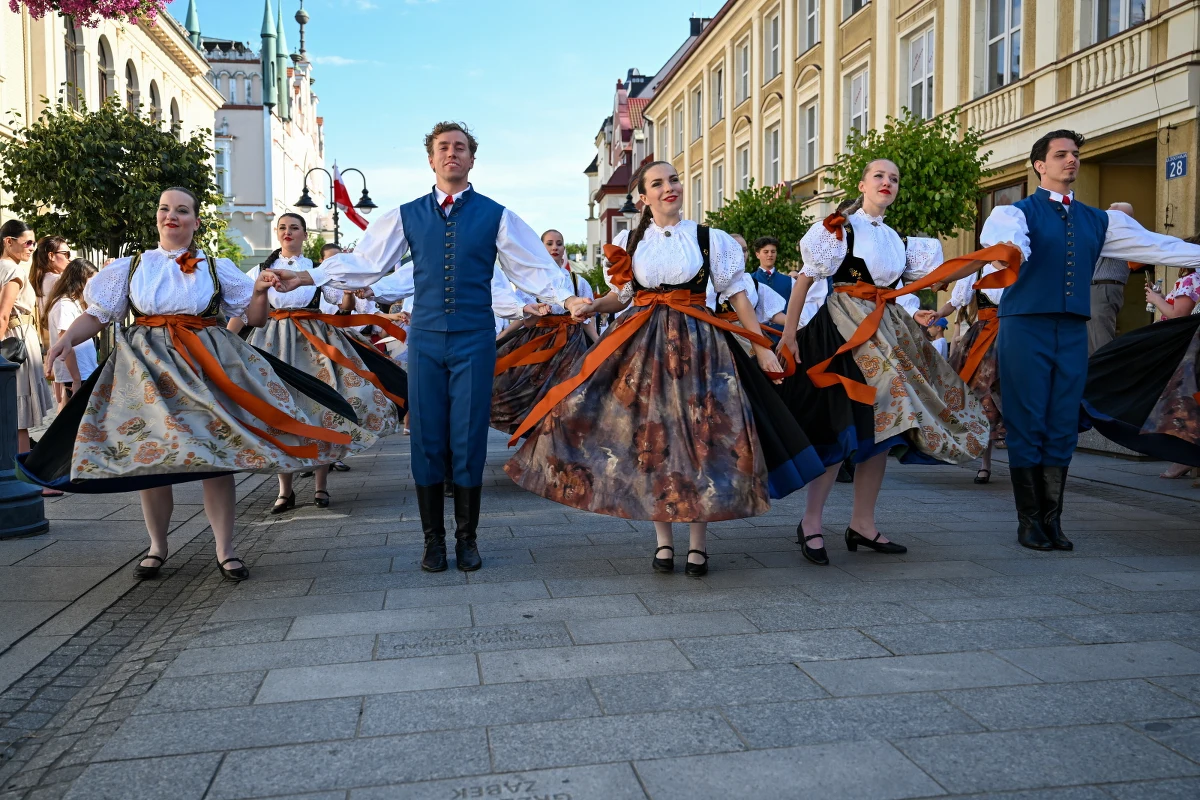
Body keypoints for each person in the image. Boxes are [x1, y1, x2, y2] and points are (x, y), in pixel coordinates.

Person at [267, 121, 588, 574]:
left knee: (469, 436)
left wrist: (566, 297)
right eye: (443, 147)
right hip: (425, 340)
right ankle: (432, 541)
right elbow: (369, 262)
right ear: (431, 158)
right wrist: (307, 275)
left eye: (460, 147)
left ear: (472, 158)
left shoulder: (496, 215)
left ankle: (467, 539)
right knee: (427, 438)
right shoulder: (407, 214)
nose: (452, 153)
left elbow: (531, 268)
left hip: (475, 339)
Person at [27, 188, 370, 582]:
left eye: (181, 210)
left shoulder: (216, 267)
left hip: (203, 366)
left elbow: (256, 319)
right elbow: (98, 314)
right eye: (164, 208)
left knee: (216, 455)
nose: (171, 215)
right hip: (147, 370)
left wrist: (260, 291)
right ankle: (157, 546)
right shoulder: (132, 267)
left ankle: (226, 550)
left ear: (196, 221)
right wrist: (67, 339)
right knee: (151, 459)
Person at [505, 161, 823, 577]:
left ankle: (698, 545)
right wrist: (592, 305)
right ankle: (663, 542)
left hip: (701, 348)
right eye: (657, 183)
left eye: (673, 179)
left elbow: (738, 296)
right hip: (645, 348)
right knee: (650, 440)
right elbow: (622, 297)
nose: (669, 187)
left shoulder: (711, 239)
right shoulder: (630, 242)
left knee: (703, 441)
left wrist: (763, 347)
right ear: (643, 198)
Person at [980, 130, 1200, 551]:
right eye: (1061, 154)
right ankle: (1029, 523)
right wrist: (1015, 253)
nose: (1071, 160)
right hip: (1025, 325)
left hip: (1070, 329)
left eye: (1075, 154)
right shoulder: (1014, 214)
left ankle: (1053, 521)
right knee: (1027, 418)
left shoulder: (1100, 221)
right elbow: (1005, 250)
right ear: (1040, 165)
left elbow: (1158, 247)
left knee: (1063, 420)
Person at [776, 159, 989, 567]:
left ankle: (862, 523)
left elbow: (921, 283)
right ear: (862, 184)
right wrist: (788, 334)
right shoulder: (842, 228)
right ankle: (811, 521)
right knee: (839, 429)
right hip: (842, 330)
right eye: (879, 175)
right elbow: (806, 277)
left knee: (882, 430)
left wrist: (984, 261)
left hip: (885, 328)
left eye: (894, 178)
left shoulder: (897, 239)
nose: (887, 182)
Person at [228, 212, 406, 512]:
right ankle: (284, 490)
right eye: (282, 228)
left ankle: (321, 486)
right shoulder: (259, 270)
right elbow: (243, 309)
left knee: (321, 408)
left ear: (304, 234)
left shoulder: (317, 270)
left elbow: (343, 306)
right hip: (272, 341)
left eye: (294, 228)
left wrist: (349, 291)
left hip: (312, 342)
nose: (287, 232)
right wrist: (227, 340)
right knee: (278, 409)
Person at [1087, 254, 1200, 479]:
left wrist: (1156, 299)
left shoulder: (1192, 279)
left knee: (1176, 399)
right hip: (1185, 347)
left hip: (1180, 347)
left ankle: (1184, 457)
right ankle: (1186, 457)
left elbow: (1179, 316)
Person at [491, 229, 598, 435]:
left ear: (564, 248)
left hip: (572, 342)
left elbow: (587, 321)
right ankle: (538, 433)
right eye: (549, 243)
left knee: (570, 389)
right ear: (541, 248)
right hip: (541, 341)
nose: (555, 247)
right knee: (530, 387)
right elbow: (526, 320)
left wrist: (599, 342)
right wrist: (504, 335)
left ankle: (561, 436)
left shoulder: (577, 281)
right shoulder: (529, 283)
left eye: (559, 243)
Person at [919, 263, 1006, 484]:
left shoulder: (1021, 265)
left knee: (1013, 396)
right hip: (983, 339)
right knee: (982, 398)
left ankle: (1023, 464)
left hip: (1012, 335)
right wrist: (938, 313)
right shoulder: (978, 270)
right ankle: (985, 464)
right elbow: (955, 301)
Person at [0, 219, 56, 495]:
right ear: (8, 241)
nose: (32, 247)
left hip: (15, 337)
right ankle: (27, 481)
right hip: (17, 340)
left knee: (12, 409)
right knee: (19, 413)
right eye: (28, 242)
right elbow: (3, 314)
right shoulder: (12, 271)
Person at [44, 258, 98, 409]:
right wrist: (76, 379)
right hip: (77, 375)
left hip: (82, 372)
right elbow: (65, 344)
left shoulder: (73, 303)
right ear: (80, 280)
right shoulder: (64, 305)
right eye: (92, 281)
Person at [1087, 202, 1136, 354]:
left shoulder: (1121, 233)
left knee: (1101, 342)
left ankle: (1104, 368)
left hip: (1103, 287)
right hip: (1095, 288)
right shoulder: (1106, 232)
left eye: (1112, 214)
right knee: (1090, 342)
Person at [752, 236, 794, 300]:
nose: (770, 255)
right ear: (757, 255)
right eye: (766, 252)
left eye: (773, 252)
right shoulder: (749, 280)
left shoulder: (790, 281)